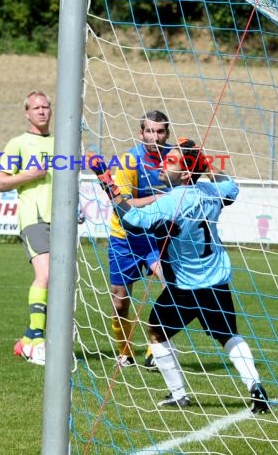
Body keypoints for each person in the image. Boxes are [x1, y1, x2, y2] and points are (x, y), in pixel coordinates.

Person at [91, 139, 270, 413]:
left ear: (186, 173)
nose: (163, 163)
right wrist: (206, 163)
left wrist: (107, 182)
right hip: (216, 280)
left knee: (156, 329)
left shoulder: (172, 200)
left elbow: (132, 222)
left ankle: (178, 394)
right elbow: (232, 186)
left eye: (171, 161)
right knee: (228, 336)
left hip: (184, 286)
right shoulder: (212, 190)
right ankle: (256, 388)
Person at [106, 110, 173, 369]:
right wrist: (158, 199)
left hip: (158, 237)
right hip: (126, 237)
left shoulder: (175, 159)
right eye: (149, 131)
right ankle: (125, 351)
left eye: (160, 131)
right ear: (140, 132)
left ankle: (155, 349)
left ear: (167, 133)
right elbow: (122, 204)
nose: (155, 137)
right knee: (120, 301)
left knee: (172, 288)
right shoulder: (128, 161)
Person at [0, 90, 54, 366]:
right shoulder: (18, 143)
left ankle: (26, 340)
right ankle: (37, 342)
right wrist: (29, 174)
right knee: (46, 275)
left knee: (58, 282)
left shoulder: (63, 143)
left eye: (46, 107)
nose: (42, 111)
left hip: (61, 222)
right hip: (35, 218)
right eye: (36, 107)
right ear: (26, 113)